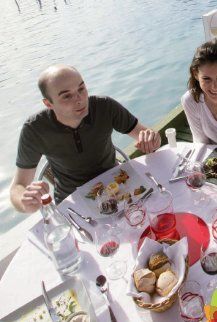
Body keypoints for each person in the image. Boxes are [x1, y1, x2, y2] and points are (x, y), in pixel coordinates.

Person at [10, 64, 161, 212]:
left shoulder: (105, 107)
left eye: (81, 89)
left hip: (117, 186)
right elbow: (17, 187)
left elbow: (151, 139)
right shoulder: (34, 129)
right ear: (48, 103)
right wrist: (24, 200)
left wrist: (152, 139)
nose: (79, 99)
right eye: (67, 96)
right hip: (74, 202)